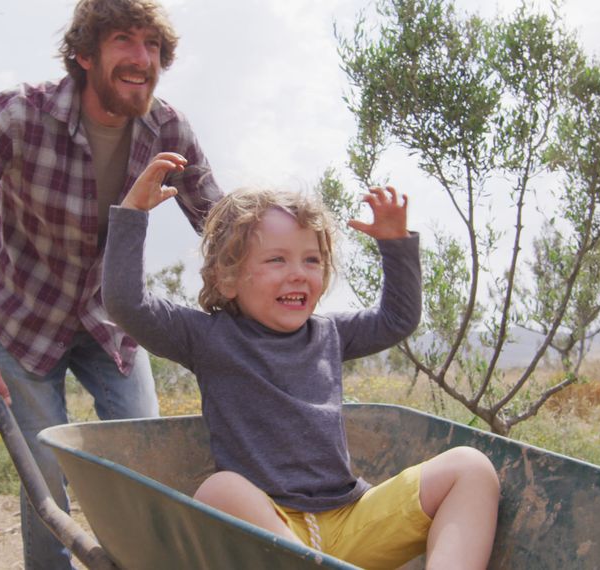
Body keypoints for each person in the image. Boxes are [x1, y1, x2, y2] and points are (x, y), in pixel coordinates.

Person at [0, 0, 221, 567]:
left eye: (152, 45)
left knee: (148, 460)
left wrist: (272, 290)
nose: (142, 57)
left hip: (112, 321)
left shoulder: (168, 128)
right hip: (25, 319)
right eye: (123, 39)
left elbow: (222, 228)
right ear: (84, 54)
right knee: (45, 475)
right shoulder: (21, 114)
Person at [102, 153, 500, 570]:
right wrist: (132, 216)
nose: (298, 273)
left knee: (471, 468)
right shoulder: (207, 337)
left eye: (311, 260)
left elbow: (397, 320)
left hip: (351, 517)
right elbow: (127, 304)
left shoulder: (329, 333)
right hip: (271, 534)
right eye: (277, 259)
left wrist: (394, 245)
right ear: (228, 278)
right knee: (220, 490)